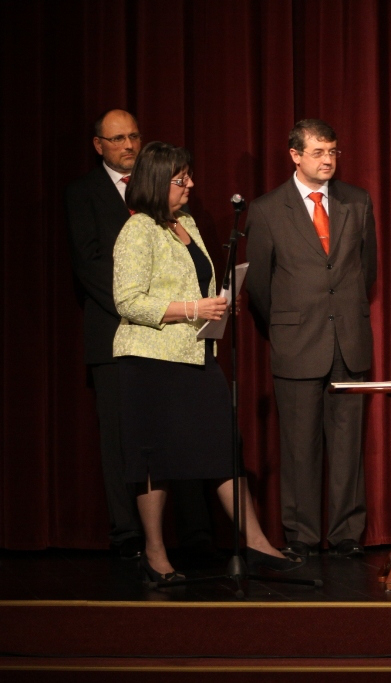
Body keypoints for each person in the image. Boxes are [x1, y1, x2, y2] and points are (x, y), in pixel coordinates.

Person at [113, 141, 301, 581]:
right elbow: (128, 302)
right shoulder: (138, 229)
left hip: (196, 354)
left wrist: (218, 304)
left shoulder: (188, 224)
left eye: (189, 176)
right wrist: (194, 308)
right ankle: (155, 554)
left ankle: (256, 544)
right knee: (154, 458)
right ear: (157, 182)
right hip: (150, 361)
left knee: (223, 447)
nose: (191, 185)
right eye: (181, 179)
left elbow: (195, 285)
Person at [65, 109, 212, 560]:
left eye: (133, 136)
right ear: (98, 145)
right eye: (117, 139)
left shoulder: (176, 205)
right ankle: (129, 535)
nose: (128, 145)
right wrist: (142, 311)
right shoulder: (84, 193)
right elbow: (90, 266)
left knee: (182, 434)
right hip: (116, 333)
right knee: (124, 439)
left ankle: (195, 533)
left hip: (177, 335)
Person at [246, 119, 377, 559]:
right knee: (300, 447)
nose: (328, 160)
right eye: (319, 152)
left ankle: (346, 534)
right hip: (296, 342)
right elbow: (259, 286)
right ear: (295, 155)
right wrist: (287, 324)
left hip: (349, 341)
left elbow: (367, 269)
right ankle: (301, 535)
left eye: (333, 152)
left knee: (347, 446)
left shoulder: (357, 201)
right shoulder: (267, 209)